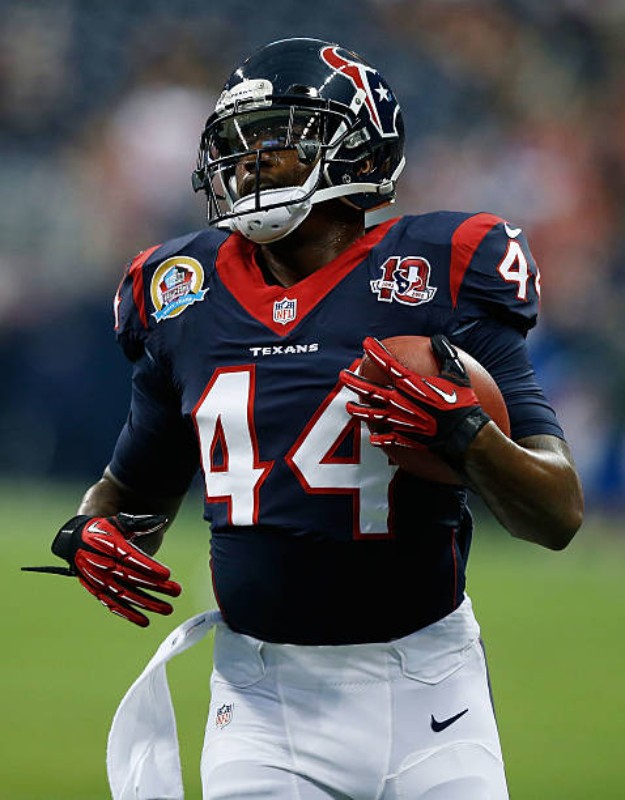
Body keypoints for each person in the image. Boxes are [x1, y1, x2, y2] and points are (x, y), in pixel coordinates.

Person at [27, 37, 583, 800]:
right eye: (238, 141)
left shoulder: (444, 267)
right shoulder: (181, 290)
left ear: (360, 150)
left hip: (431, 689)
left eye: (278, 137)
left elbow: (556, 513)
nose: (249, 160)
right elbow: (133, 493)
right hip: (263, 702)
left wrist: (465, 434)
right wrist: (90, 532)